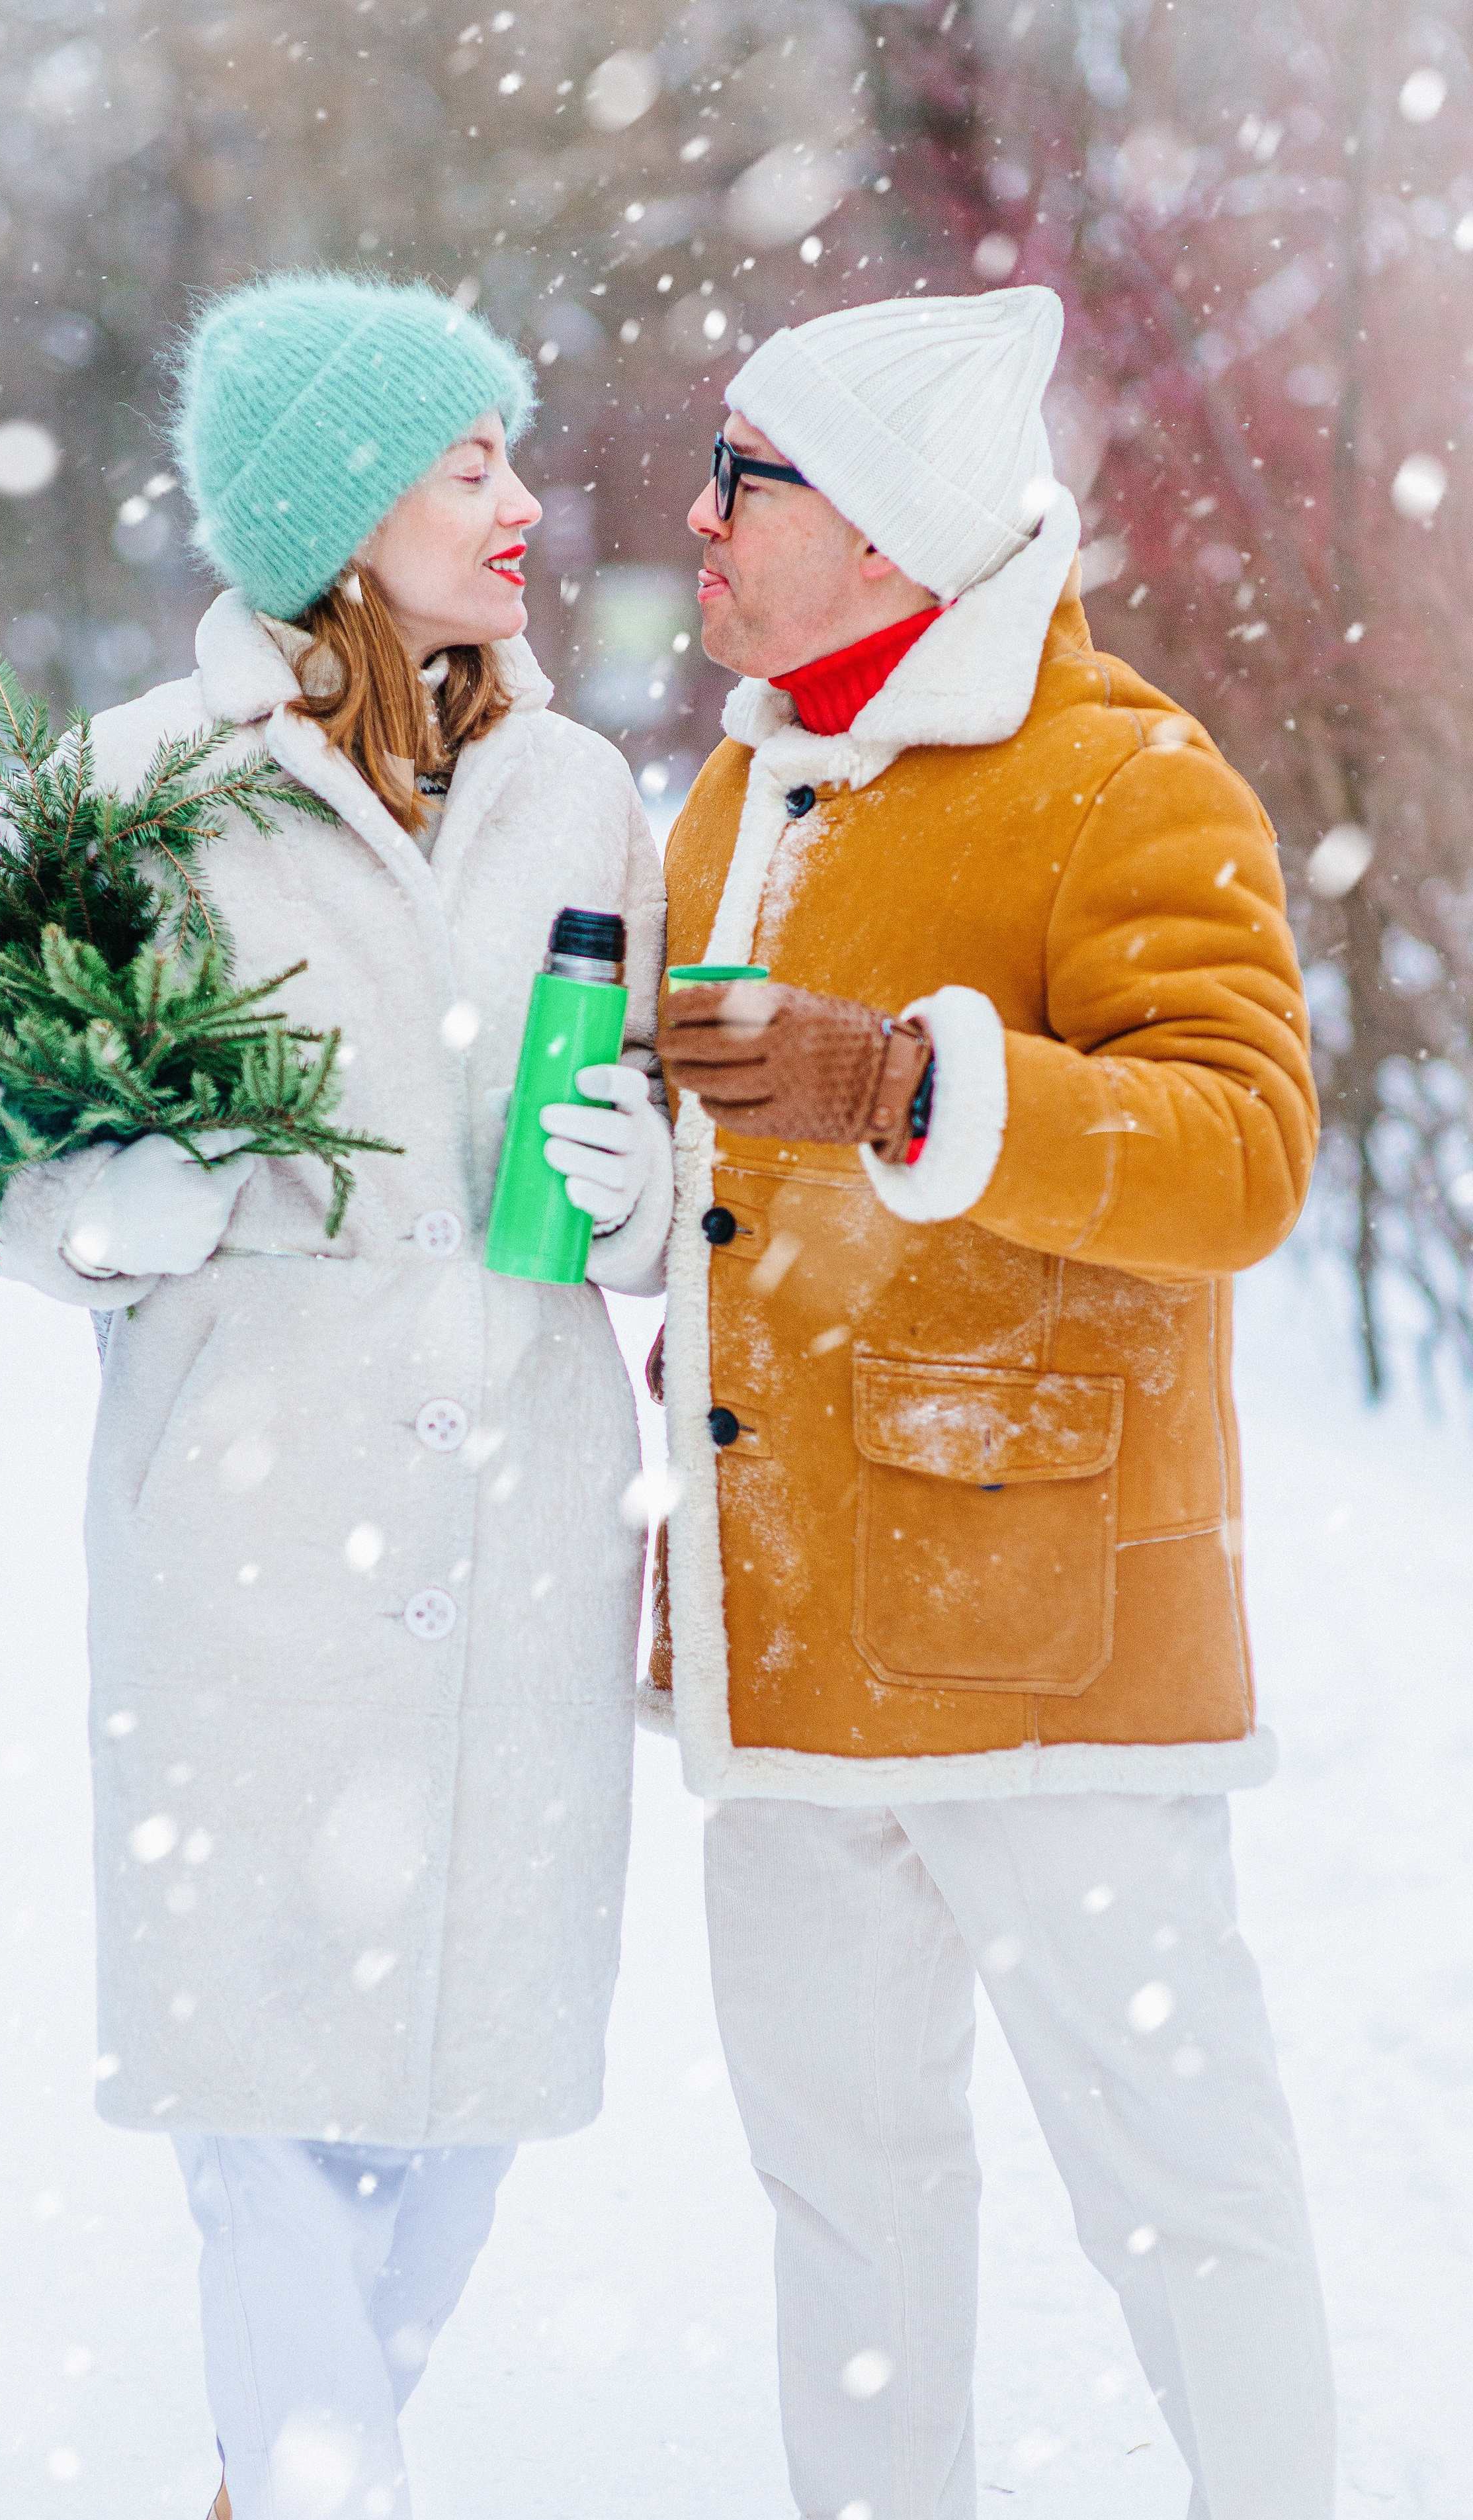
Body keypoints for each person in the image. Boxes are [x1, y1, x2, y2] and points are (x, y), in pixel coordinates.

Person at [0, 273, 671, 2520]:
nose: (519, 501)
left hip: (514, 1527)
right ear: (342, 510)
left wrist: (641, 1191)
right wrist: (97, 1207)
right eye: (470, 463)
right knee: (263, 2130)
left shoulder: (587, 791)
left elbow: (652, 1148)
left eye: (508, 456)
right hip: (249, 1541)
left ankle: (278, 2479)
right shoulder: (135, 794)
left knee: (466, 2121)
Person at [649, 287, 1335, 2520]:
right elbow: (734, 1193)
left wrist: (899, 1079)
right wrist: (645, 1212)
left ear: (892, 529)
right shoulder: (735, 793)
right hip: (787, 1630)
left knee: (1181, 2178)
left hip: (1050, 1645)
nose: (701, 512)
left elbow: (1241, 1154)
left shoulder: (1128, 776)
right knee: (845, 2196)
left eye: (747, 476)